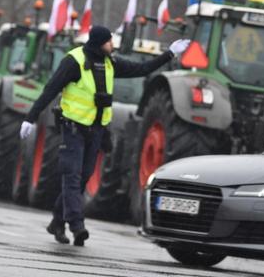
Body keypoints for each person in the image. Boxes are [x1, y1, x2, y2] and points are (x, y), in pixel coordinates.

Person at [19, 26, 189, 246]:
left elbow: (142, 69)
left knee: (83, 176)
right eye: (109, 41)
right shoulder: (74, 61)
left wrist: (170, 54)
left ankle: (57, 221)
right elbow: (50, 89)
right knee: (71, 176)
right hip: (73, 128)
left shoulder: (111, 62)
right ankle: (77, 225)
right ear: (100, 42)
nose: (113, 45)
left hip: (96, 130)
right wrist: (30, 118)